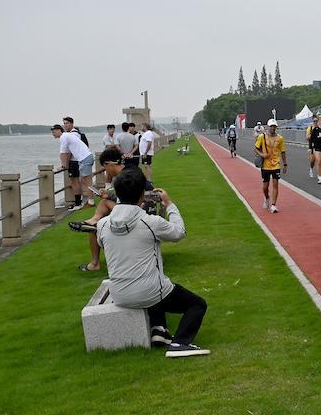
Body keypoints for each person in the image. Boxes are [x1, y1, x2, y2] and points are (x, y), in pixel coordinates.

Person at [96, 167, 210, 358]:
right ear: (142, 194)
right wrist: (169, 204)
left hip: (120, 294)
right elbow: (179, 232)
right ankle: (180, 343)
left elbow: (103, 242)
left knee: (152, 279)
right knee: (197, 304)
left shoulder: (103, 224)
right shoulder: (151, 222)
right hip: (149, 292)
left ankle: (159, 329)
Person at [67, 148, 156, 271]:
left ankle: (94, 262)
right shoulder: (131, 170)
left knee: (96, 227)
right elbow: (129, 197)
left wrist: (109, 196)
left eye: (105, 168)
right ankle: (93, 220)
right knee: (105, 202)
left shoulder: (124, 177)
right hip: (146, 207)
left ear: (109, 164)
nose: (106, 172)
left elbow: (128, 201)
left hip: (138, 211)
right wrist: (108, 195)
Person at [51, 123, 94, 210]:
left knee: (87, 182)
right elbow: (66, 153)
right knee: (85, 181)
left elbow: (63, 154)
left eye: (54, 132)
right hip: (86, 158)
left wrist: (64, 166)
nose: (53, 134)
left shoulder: (64, 137)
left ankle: (91, 201)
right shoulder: (67, 136)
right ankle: (91, 200)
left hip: (84, 159)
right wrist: (65, 165)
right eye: (52, 132)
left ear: (59, 130)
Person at [255, 119, 287, 213]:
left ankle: (273, 205)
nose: (273, 128)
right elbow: (256, 149)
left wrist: (285, 164)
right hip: (265, 165)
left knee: (275, 184)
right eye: (271, 126)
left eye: (274, 126)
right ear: (268, 127)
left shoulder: (280, 138)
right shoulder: (262, 136)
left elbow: (283, 152)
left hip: (276, 164)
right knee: (265, 186)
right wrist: (262, 155)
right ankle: (266, 197)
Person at [62, 116, 95, 206]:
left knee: (77, 182)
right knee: (82, 181)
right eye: (64, 123)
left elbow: (68, 151)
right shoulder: (74, 133)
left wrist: (65, 163)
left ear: (72, 124)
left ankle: (81, 202)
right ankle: (88, 200)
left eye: (67, 123)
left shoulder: (73, 135)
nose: (65, 125)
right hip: (80, 160)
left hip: (75, 161)